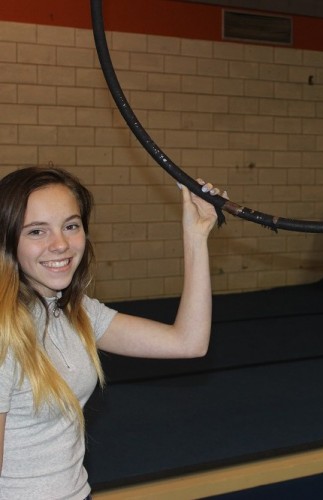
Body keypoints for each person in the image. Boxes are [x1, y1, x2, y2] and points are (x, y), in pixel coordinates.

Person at [0, 166, 224, 499]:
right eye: (36, 232)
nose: (60, 244)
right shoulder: (5, 336)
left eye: (71, 226)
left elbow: (188, 342)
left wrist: (196, 235)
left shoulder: (75, 312)